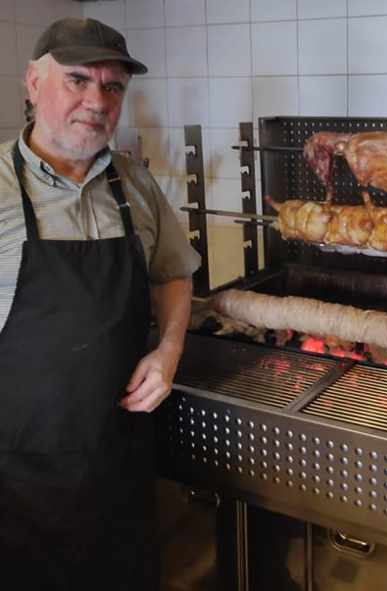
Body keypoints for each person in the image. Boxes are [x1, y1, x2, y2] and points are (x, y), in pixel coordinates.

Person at [0, 17, 200, 590]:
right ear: (33, 83)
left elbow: (172, 275)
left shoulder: (134, 183)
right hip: (18, 484)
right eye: (78, 80)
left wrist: (169, 349)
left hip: (120, 471)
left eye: (112, 87)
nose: (96, 100)